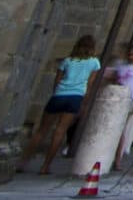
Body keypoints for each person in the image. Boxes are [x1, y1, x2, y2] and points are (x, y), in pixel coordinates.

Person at [18, 36, 100, 176]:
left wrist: (57, 93)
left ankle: (23, 162)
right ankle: (45, 166)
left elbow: (57, 80)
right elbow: (90, 84)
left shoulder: (67, 61)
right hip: (76, 97)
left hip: (59, 95)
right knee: (60, 131)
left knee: (41, 131)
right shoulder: (94, 62)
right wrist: (84, 103)